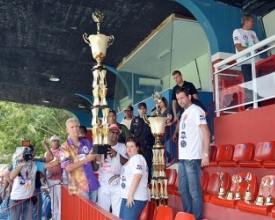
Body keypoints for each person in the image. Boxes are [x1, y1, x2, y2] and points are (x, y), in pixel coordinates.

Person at [175, 87, 210, 220]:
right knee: (183, 190)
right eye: (178, 99)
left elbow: (206, 132)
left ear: (189, 97)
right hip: (183, 159)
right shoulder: (184, 114)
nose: (180, 101)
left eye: (182, 97)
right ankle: (188, 216)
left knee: (194, 191)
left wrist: (205, 155)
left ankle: (197, 218)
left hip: (193, 158)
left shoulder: (196, 110)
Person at [59, 118, 100, 202]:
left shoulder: (86, 142)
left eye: (77, 126)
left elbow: (96, 156)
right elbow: (68, 168)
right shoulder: (64, 147)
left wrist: (97, 142)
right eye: (72, 127)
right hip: (79, 188)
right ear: (67, 130)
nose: (75, 129)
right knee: (83, 214)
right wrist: (86, 159)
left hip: (93, 184)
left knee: (93, 213)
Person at [95, 124, 128, 217]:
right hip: (103, 184)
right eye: (112, 132)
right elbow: (96, 166)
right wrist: (95, 154)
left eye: (117, 133)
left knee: (117, 212)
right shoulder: (101, 147)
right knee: (102, 211)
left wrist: (117, 155)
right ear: (107, 134)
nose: (115, 135)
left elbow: (128, 164)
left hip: (118, 184)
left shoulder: (123, 147)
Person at [233, 14, 260, 109]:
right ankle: (249, 105)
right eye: (252, 21)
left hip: (256, 62)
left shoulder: (253, 33)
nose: (253, 23)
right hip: (245, 62)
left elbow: (260, 46)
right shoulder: (237, 31)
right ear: (246, 21)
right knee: (249, 83)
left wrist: (258, 47)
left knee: (258, 82)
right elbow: (239, 47)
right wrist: (252, 48)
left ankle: (258, 104)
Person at [119, 137, 149, 220]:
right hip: (129, 197)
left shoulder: (138, 158)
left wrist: (130, 194)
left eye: (132, 146)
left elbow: (138, 176)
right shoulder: (132, 159)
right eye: (127, 146)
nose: (129, 149)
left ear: (137, 148)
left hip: (135, 197)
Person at [9, 146, 37, 220]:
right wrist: (21, 163)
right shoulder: (16, 164)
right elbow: (11, 176)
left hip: (28, 199)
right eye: (26, 154)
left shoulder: (35, 164)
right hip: (16, 199)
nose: (28, 156)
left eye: (30, 154)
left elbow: (50, 161)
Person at [130, 102, 154, 184]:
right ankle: (138, 182)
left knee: (147, 165)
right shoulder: (134, 120)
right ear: (138, 110)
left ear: (146, 109)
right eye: (140, 109)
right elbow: (132, 134)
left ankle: (147, 183)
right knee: (138, 165)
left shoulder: (150, 119)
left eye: (144, 108)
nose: (142, 110)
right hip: (138, 148)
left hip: (147, 147)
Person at [43, 135, 62, 220]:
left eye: (57, 140)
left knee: (60, 199)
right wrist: (43, 176)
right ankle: (54, 217)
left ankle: (60, 217)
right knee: (53, 198)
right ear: (51, 143)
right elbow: (44, 165)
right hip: (50, 179)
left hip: (60, 179)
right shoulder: (47, 152)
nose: (55, 142)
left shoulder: (62, 151)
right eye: (54, 141)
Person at [151, 97, 174, 163]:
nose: (159, 104)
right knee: (158, 145)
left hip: (167, 131)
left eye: (160, 102)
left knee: (159, 144)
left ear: (164, 102)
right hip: (160, 131)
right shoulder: (158, 112)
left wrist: (166, 123)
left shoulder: (168, 110)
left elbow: (168, 121)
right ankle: (166, 158)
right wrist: (153, 114)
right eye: (158, 103)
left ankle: (170, 156)